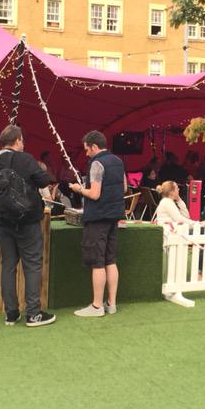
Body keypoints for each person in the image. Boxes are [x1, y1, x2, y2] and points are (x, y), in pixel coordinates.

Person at [0, 126, 55, 326]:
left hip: (2, 220)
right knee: (32, 264)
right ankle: (33, 313)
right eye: (22, 141)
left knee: (8, 265)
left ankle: (11, 313)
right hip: (27, 220)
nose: (23, 144)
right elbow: (44, 180)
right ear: (17, 141)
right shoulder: (26, 159)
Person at [69, 131, 125, 318]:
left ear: (94, 146)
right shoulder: (118, 160)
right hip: (114, 216)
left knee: (97, 262)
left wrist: (78, 189)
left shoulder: (96, 163)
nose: (86, 154)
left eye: (86, 149)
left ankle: (96, 306)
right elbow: (124, 188)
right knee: (110, 259)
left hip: (97, 218)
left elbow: (94, 194)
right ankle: (112, 304)